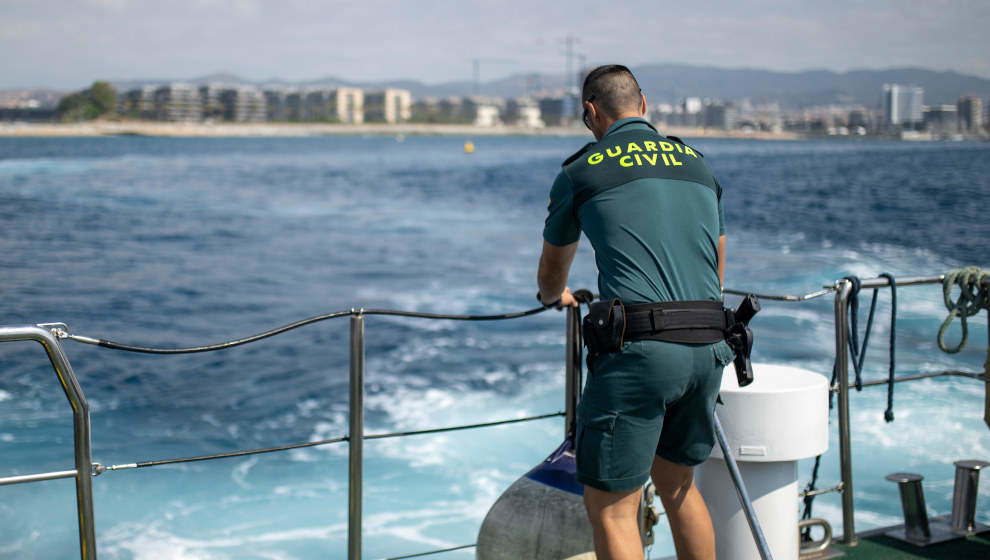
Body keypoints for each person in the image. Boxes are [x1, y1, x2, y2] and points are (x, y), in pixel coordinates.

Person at [537, 65, 731, 560]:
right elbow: (717, 263)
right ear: (643, 105)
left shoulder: (582, 170)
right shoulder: (697, 164)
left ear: (590, 113)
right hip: (709, 340)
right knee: (679, 484)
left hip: (641, 351)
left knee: (611, 507)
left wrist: (553, 297)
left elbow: (551, 273)